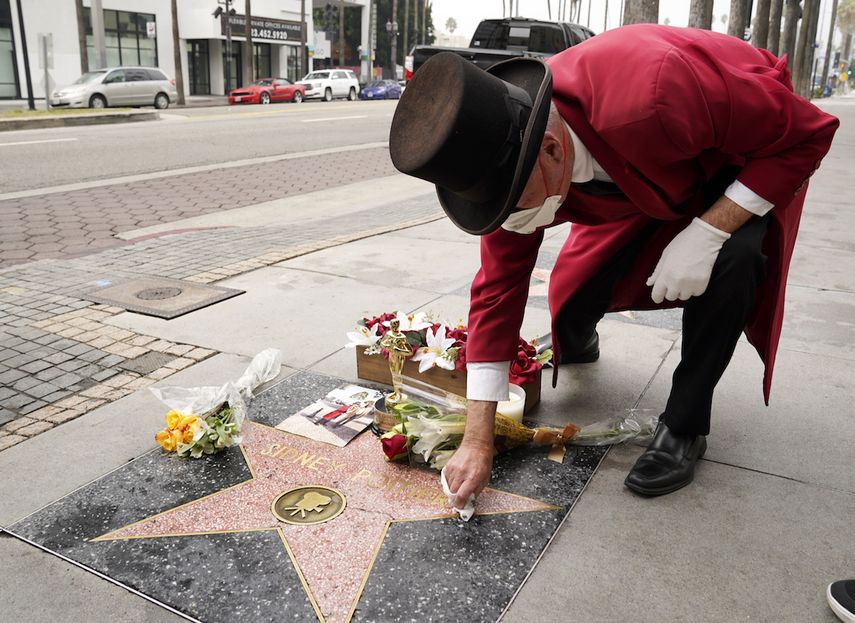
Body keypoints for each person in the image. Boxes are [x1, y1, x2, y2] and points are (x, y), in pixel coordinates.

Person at [388, 24, 838, 505]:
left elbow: (806, 134)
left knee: (737, 262)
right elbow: (498, 289)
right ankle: (580, 335)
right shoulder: (505, 158)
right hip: (638, 177)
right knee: (576, 295)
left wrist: (710, 230)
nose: (509, 221)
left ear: (553, 150)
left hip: (729, 159)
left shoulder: (659, 91)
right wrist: (477, 438)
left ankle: (685, 426)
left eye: (512, 206)